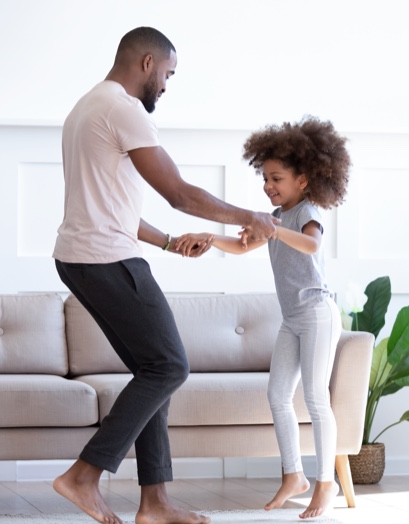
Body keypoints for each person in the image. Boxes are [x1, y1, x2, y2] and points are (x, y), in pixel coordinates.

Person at [52, 26, 279, 524]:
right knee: (170, 366)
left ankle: (154, 503)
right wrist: (252, 217)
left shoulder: (86, 107)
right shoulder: (123, 109)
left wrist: (168, 243)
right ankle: (83, 477)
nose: (167, 87)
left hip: (82, 255)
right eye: (168, 75)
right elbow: (177, 191)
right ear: (148, 63)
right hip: (106, 260)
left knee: (153, 369)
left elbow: (110, 206)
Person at [177, 116, 351, 519]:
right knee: (276, 395)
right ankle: (295, 476)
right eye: (265, 179)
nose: (268, 187)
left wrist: (271, 229)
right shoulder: (272, 218)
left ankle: (326, 484)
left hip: (318, 315)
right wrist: (209, 238)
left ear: (303, 180)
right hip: (291, 319)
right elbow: (241, 246)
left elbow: (309, 244)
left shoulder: (307, 211)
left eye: (276, 179)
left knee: (314, 398)